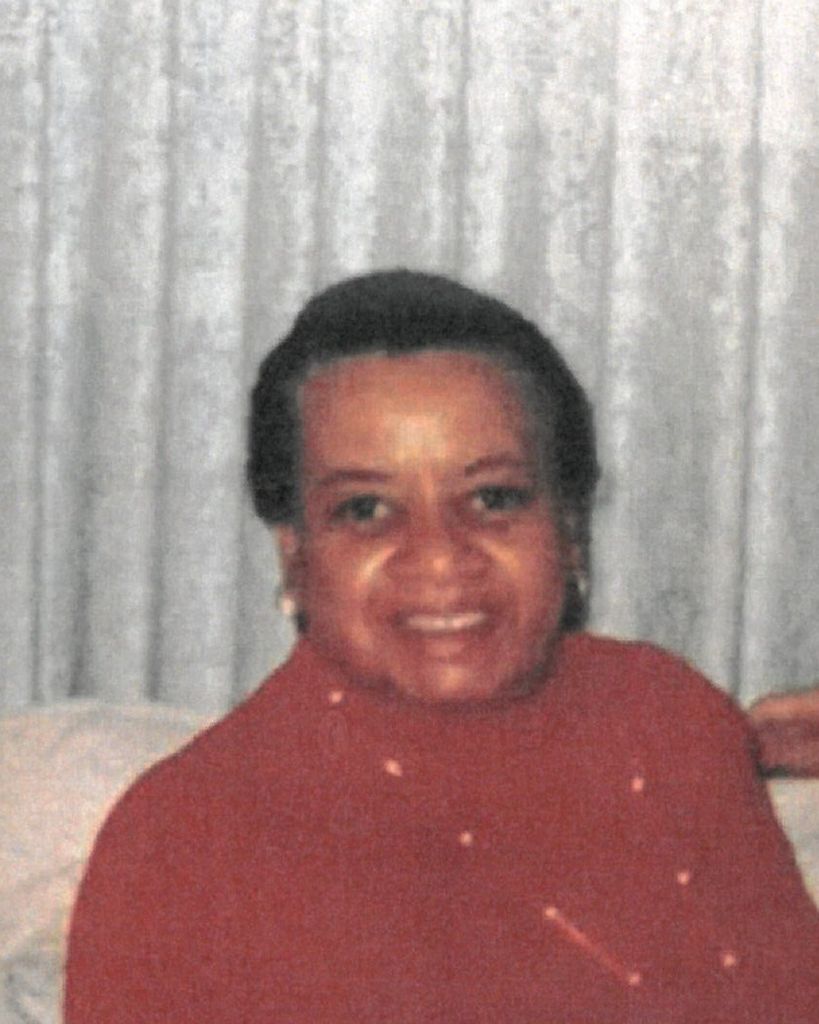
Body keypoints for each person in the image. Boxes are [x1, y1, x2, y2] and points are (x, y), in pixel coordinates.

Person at [65, 271, 819, 1023]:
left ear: (568, 527)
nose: (439, 556)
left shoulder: (668, 713)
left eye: (493, 498)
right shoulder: (180, 842)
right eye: (365, 510)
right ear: (295, 554)